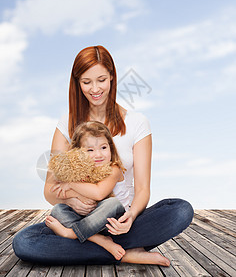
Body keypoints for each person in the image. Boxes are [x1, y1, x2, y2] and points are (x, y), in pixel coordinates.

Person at [12, 45, 194, 266]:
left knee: (180, 210)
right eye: (86, 82)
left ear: (112, 78)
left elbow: (143, 188)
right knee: (24, 242)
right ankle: (124, 253)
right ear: (77, 83)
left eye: (101, 80)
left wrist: (132, 217)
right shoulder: (67, 123)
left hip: (121, 220)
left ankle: (97, 245)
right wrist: (71, 200)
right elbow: (50, 191)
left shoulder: (137, 123)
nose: (95, 89)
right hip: (79, 219)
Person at [46, 120, 129, 261]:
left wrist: (71, 184)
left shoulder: (113, 169)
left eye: (103, 148)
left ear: (111, 148)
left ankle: (71, 234)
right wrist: (72, 195)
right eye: (90, 150)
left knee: (112, 203)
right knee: (57, 210)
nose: (98, 155)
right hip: (88, 223)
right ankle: (98, 239)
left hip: (112, 223)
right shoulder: (79, 172)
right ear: (78, 153)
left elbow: (98, 194)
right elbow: (58, 192)